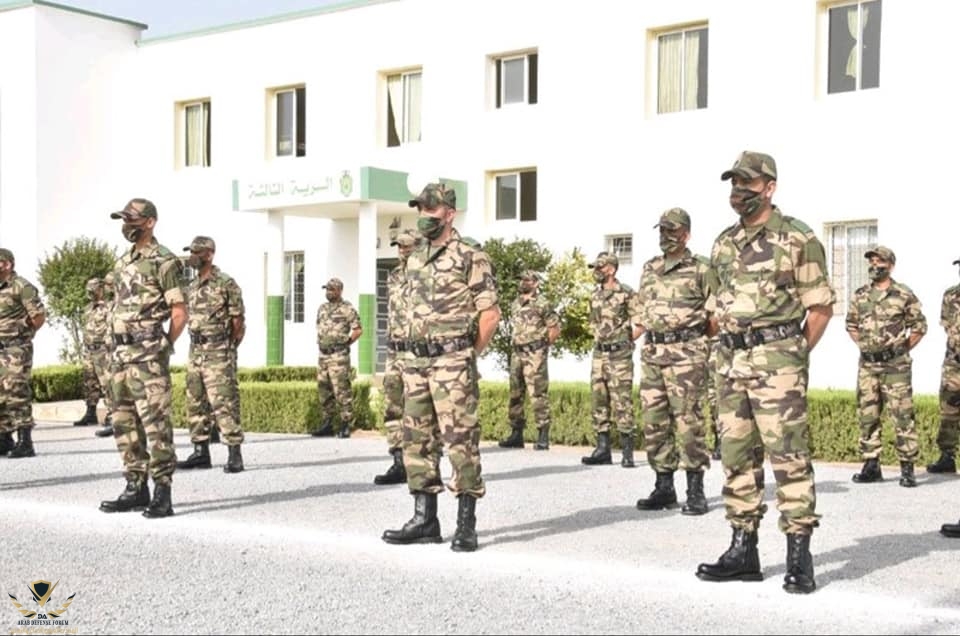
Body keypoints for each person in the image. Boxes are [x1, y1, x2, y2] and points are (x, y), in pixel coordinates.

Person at [696, 151, 834, 595]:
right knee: (736, 456)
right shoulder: (723, 243)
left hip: (778, 365)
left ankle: (799, 556)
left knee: (788, 457)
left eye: (748, 184)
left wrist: (792, 355)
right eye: (734, 184)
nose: (739, 192)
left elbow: (820, 307)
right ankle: (743, 551)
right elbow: (716, 307)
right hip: (730, 363)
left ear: (769, 187)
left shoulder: (797, 237)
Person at [382, 182, 500, 552]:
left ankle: (466, 524)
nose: (424, 217)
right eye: (420, 210)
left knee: (461, 441)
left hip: (452, 363)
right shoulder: (415, 257)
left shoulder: (470, 256)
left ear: (449, 213)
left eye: (431, 211)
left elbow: (490, 314)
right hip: (415, 363)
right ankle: (425, 520)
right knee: (417, 441)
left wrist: (466, 355)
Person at [99, 198, 186, 518]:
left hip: (148, 356)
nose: (127, 226)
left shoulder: (164, 261)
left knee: (156, 425)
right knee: (124, 424)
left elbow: (179, 312)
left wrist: (164, 345)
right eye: (124, 220)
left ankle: (162, 491)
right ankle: (136, 486)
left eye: (132, 220)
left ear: (150, 222)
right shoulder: (123, 262)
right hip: (120, 356)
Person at [635, 208, 712, 515]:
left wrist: (693, 340)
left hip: (686, 357)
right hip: (653, 353)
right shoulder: (650, 267)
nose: (666, 236)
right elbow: (642, 310)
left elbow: (715, 316)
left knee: (689, 422)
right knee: (654, 422)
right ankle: (664, 486)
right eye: (662, 230)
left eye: (673, 231)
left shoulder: (701, 268)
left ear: (686, 234)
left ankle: (695, 490)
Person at [846, 246, 926, 487]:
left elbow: (919, 327)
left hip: (895, 367)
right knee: (867, 415)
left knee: (902, 416)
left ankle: (907, 468)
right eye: (871, 261)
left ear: (890, 265)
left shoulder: (903, 294)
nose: (874, 265)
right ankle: (871, 465)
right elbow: (851, 325)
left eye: (879, 261)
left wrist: (900, 349)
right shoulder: (860, 295)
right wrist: (866, 346)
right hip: (868, 366)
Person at [176, 236, 247, 474]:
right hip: (195, 350)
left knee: (224, 401)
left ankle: (234, 454)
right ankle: (200, 452)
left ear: (209, 254)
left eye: (196, 252)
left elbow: (238, 321)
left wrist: (228, 347)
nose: (192, 256)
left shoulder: (226, 283)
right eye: (191, 252)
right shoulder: (192, 285)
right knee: (195, 401)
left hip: (218, 351)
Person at [581, 251, 642, 468]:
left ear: (612, 269)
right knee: (598, 400)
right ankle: (603, 449)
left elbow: (641, 323)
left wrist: (625, 343)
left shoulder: (626, 293)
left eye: (600, 267)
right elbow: (593, 324)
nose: (596, 271)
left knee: (622, 402)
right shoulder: (595, 295)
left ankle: (627, 452)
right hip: (599, 355)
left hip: (619, 356)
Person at [374, 228, 418, 485]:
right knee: (392, 406)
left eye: (407, 246)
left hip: (417, 352)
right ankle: (399, 461)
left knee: (421, 408)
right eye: (399, 246)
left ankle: (424, 464)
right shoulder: (394, 276)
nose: (402, 250)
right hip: (394, 351)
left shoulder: (428, 276)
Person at [498, 270, 560, 451]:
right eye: (521, 280)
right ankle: (516, 433)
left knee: (538, 394)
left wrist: (542, 347)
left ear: (536, 283)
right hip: (517, 353)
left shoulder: (543, 303)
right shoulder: (515, 304)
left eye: (527, 280)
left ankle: (543, 435)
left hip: (535, 354)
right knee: (515, 394)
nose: (523, 283)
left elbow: (554, 329)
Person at [0, 248, 46, 458]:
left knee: (16, 391)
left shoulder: (22, 286)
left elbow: (38, 317)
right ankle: (4, 438)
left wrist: (22, 333)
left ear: (7, 264)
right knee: (1, 394)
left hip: (16, 348)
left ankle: (25, 441)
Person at [310, 277, 362, 438]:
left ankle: (346, 424)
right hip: (323, 355)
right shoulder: (322, 308)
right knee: (324, 390)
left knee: (342, 390)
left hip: (338, 356)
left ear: (340, 291)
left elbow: (358, 330)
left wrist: (346, 343)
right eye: (327, 289)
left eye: (332, 290)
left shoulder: (347, 308)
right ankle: (328, 423)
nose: (328, 292)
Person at [927, 257, 960, 475]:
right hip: (954, 363)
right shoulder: (950, 295)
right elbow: (947, 324)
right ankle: (947, 457)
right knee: (949, 410)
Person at [73, 278, 110, 429]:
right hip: (89, 350)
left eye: (93, 289)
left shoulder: (109, 307)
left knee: (107, 382)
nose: (90, 293)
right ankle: (91, 412)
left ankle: (112, 414)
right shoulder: (88, 308)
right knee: (90, 382)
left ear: (101, 289)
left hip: (103, 349)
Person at [706, 337, 722, 461]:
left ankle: (721, 440)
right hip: (698, 343)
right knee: (710, 396)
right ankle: (716, 436)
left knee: (719, 394)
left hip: (719, 343)